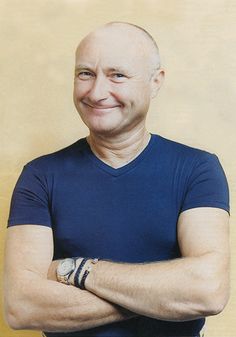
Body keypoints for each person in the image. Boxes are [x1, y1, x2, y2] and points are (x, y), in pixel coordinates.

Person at [4, 21, 230, 337]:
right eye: (85, 73)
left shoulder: (197, 169)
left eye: (117, 75)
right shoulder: (40, 176)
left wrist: (77, 271)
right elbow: (22, 306)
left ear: (155, 82)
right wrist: (161, 296)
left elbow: (207, 290)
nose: (96, 92)